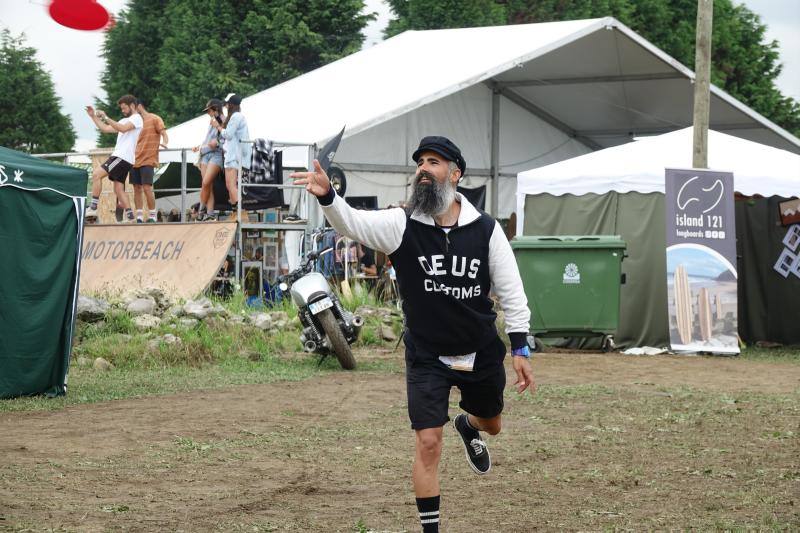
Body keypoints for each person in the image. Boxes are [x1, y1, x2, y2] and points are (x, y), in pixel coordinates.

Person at [292, 136, 534, 532]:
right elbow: (354, 222)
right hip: (427, 355)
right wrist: (328, 198)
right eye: (419, 161)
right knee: (427, 442)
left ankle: (469, 427)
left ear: (454, 174)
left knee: (493, 423)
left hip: (479, 349)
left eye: (434, 162)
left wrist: (521, 347)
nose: (423, 168)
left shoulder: (486, 230)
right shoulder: (400, 224)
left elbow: (512, 289)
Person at [85, 95, 143, 222]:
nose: (122, 111)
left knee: (96, 175)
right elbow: (105, 129)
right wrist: (93, 116)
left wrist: (105, 117)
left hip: (121, 157)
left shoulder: (137, 118)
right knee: (118, 188)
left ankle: (93, 207)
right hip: (125, 159)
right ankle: (130, 216)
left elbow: (122, 128)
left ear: (132, 106)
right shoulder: (123, 120)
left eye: (124, 108)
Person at [210, 93, 251, 219]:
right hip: (234, 156)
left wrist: (217, 127)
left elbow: (228, 135)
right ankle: (236, 212)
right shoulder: (236, 116)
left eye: (227, 104)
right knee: (231, 186)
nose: (226, 106)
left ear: (232, 104)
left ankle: (240, 212)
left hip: (234, 157)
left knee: (231, 185)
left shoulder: (236, 116)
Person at [129, 98, 168, 223]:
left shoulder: (155, 118)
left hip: (148, 158)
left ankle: (152, 215)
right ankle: (139, 215)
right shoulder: (133, 122)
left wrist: (165, 143)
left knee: (147, 187)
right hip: (134, 159)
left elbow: (164, 134)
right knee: (136, 188)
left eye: (133, 107)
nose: (132, 110)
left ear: (139, 106)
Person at [192, 98, 225, 221]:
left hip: (217, 154)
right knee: (207, 185)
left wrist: (217, 143)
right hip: (205, 154)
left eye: (209, 110)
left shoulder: (224, 120)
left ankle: (201, 210)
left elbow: (226, 139)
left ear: (215, 109)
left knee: (206, 182)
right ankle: (210, 214)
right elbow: (208, 139)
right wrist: (199, 146)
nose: (208, 113)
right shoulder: (212, 121)